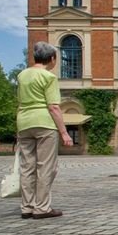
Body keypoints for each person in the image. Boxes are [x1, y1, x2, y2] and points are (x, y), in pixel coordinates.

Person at [16, 41, 73, 219]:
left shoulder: (22, 75)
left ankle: (27, 206)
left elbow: (19, 103)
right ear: (52, 58)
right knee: (46, 167)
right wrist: (64, 132)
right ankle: (41, 208)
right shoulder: (49, 77)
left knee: (27, 167)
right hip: (44, 124)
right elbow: (54, 107)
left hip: (24, 122)